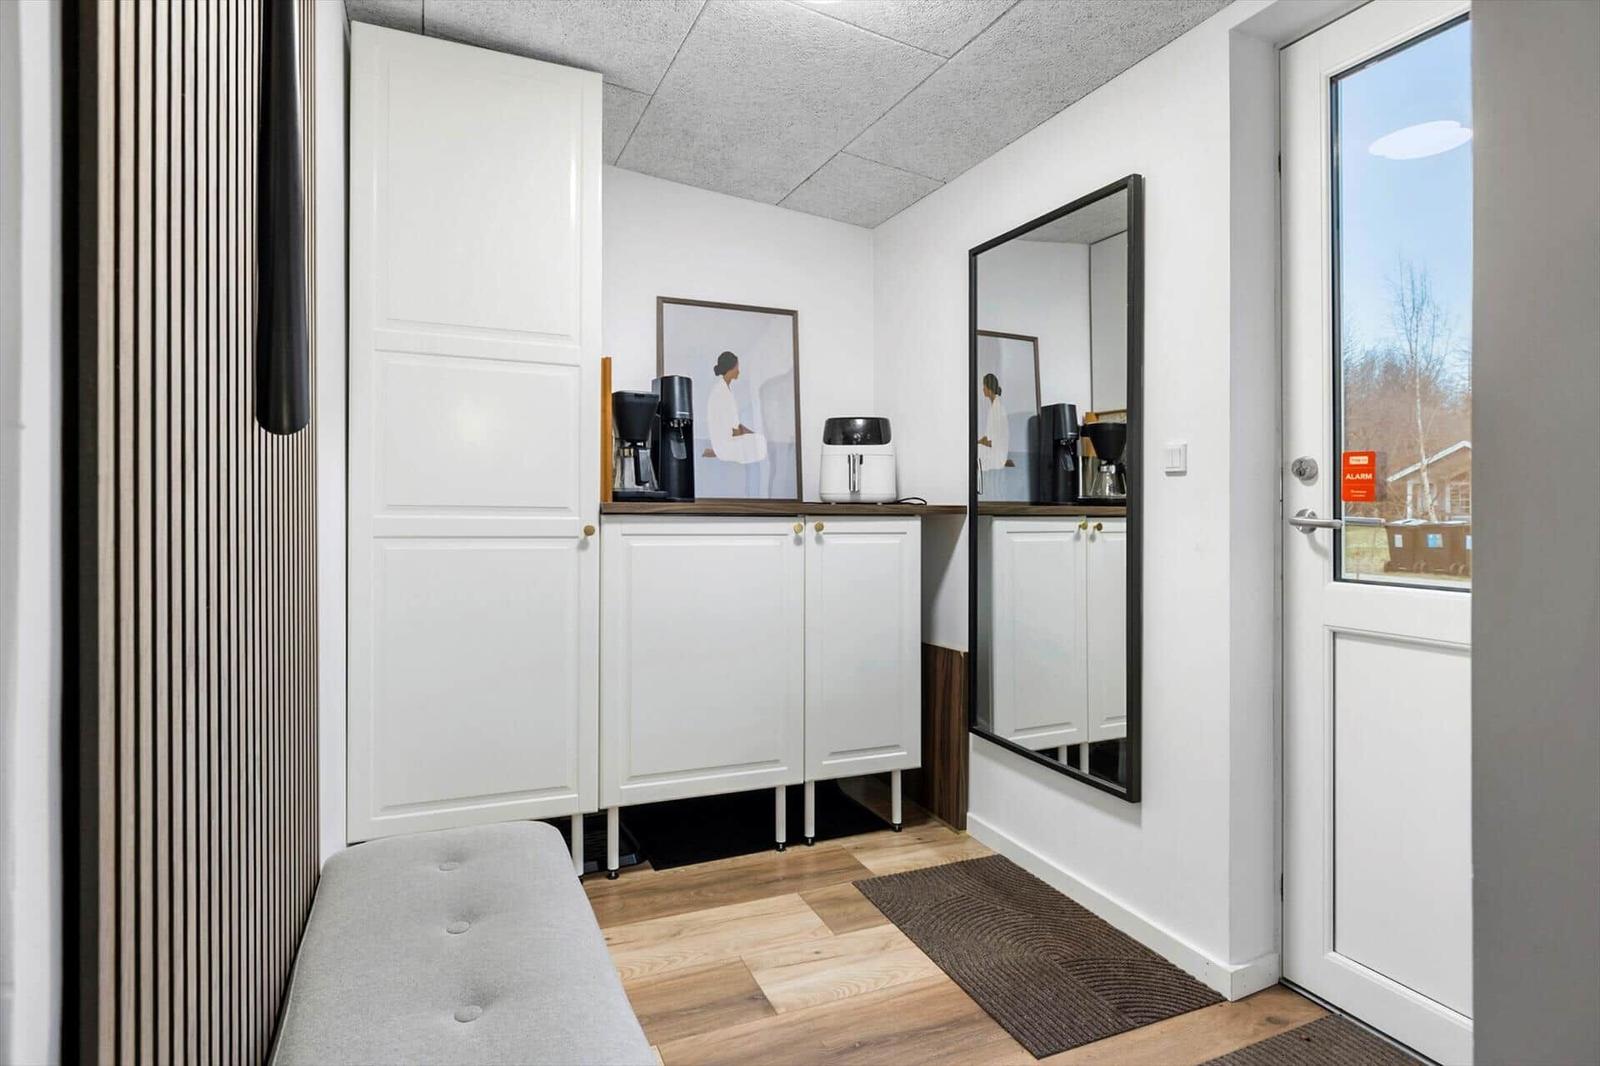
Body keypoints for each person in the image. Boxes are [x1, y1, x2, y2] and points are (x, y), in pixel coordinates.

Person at [705, 351, 768, 464]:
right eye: (736, 368)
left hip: (723, 442)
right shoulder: (721, 393)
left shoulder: (723, 389)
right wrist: (752, 436)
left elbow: (736, 425)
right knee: (760, 442)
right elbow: (735, 430)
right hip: (725, 445)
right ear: (730, 369)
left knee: (759, 439)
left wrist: (752, 434)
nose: (738, 371)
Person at [977, 372, 1012, 472]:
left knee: (974, 451)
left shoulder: (997, 409)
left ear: (989, 388)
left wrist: (979, 442)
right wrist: (979, 441)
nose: (983, 389)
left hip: (997, 455)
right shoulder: (994, 407)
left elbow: (994, 441)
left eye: (984, 386)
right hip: (996, 450)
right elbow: (988, 436)